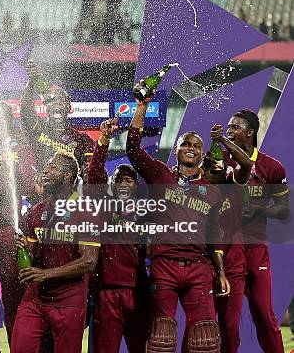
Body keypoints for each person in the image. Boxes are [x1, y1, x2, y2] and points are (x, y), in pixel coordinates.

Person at [126, 84, 229, 353]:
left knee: (205, 341)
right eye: (185, 143)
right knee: (161, 338)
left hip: (199, 268)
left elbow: (213, 236)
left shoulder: (212, 191)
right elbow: (133, 149)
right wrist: (141, 106)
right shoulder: (161, 175)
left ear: (203, 154)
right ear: (177, 150)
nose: (191, 148)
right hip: (165, 266)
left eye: (197, 145)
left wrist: (220, 273)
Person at [11, 152, 101, 353]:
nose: (45, 171)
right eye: (46, 167)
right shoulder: (36, 211)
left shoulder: (86, 210)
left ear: (68, 176)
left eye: (52, 168)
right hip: (36, 297)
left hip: (69, 299)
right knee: (20, 347)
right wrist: (25, 249)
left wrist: (45, 274)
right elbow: (34, 255)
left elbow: (89, 261)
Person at [224, 109, 290, 353]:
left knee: (264, 314)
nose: (229, 131)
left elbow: (284, 211)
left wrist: (260, 213)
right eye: (228, 127)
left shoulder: (271, 167)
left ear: (250, 133)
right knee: (229, 323)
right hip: (228, 248)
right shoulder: (221, 161)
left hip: (256, 248)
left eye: (235, 127)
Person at [87, 116, 148, 353]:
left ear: (136, 186)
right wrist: (103, 140)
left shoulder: (146, 213)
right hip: (107, 292)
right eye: (119, 180)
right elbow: (94, 176)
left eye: (129, 180)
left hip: (138, 294)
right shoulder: (104, 207)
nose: (124, 183)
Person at [0, 101, 36, 346]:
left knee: (13, 293)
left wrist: (2, 162)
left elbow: (27, 184)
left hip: (7, 230)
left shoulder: (20, 148)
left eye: (1, 116)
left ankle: (18, 346)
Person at [202, 123, 252, 353]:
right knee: (203, 329)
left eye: (220, 168)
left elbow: (246, 163)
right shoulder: (198, 191)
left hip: (232, 265)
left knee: (230, 328)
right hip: (204, 265)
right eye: (211, 168)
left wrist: (222, 140)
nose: (216, 172)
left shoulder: (233, 186)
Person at [20, 60, 94, 181]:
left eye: (62, 100)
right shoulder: (38, 128)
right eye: (53, 100)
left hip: (70, 195)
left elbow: (89, 173)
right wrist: (31, 82)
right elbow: (26, 111)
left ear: (69, 108)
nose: (57, 103)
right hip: (41, 192)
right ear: (47, 106)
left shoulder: (83, 140)